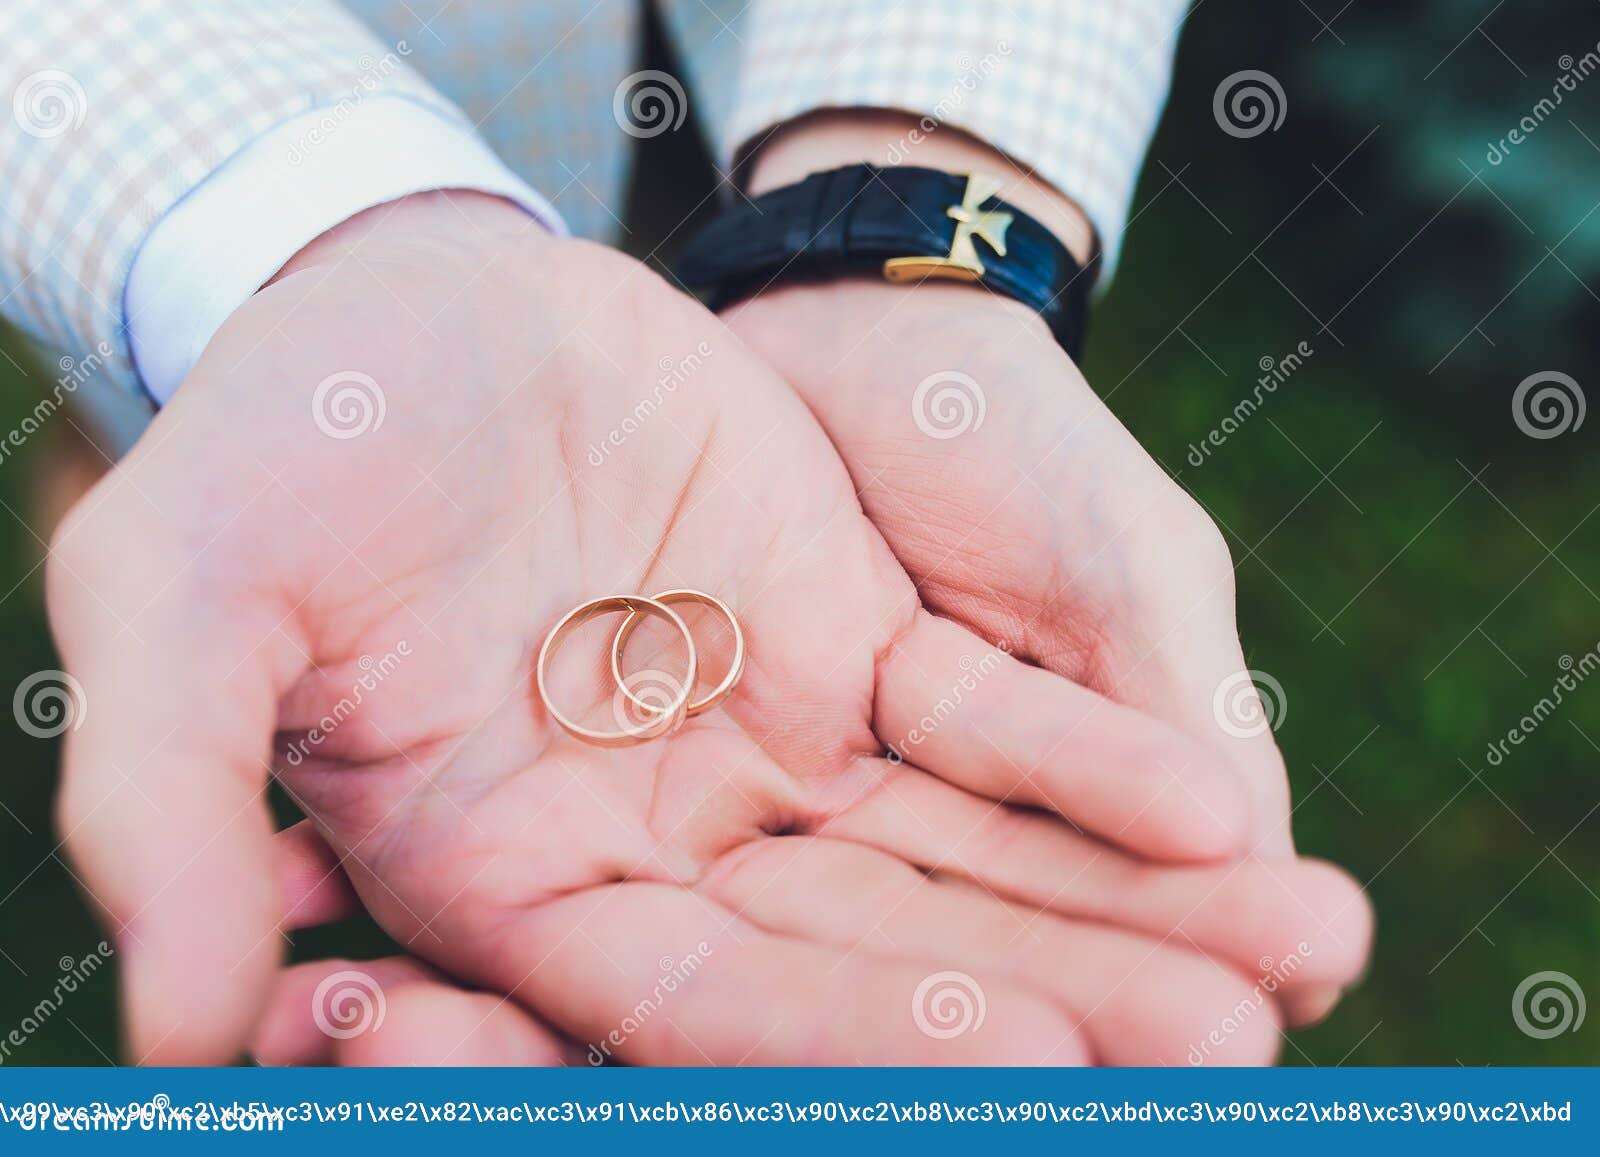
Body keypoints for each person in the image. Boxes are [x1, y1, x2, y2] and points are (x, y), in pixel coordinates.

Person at [0, 0, 1370, 1065]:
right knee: (209, 461)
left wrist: (895, 200)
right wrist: (308, 224)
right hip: (337, 144)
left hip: (760, 96)